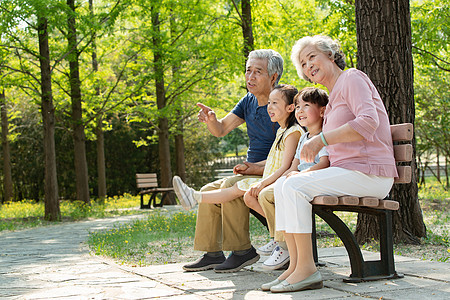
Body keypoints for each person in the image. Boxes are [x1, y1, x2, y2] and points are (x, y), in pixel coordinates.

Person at [262, 35, 397, 293]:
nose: (308, 65)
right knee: (283, 185)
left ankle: (307, 270)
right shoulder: (334, 95)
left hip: (369, 172)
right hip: (349, 171)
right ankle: (296, 266)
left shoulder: (352, 78)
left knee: (293, 187)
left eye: (312, 57)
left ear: (331, 55)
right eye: (303, 63)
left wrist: (320, 139)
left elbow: (368, 122)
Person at [181, 49, 285, 273]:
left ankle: (242, 251)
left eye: (258, 72)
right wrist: (211, 120)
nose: (251, 77)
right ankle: (212, 253)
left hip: (273, 172)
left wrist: (255, 168)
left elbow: (289, 152)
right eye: (248, 71)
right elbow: (221, 129)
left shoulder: (283, 103)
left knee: (230, 185)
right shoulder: (248, 100)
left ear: (274, 77)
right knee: (209, 188)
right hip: (250, 171)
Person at [173, 84, 303, 217]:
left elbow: (286, 166)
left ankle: (194, 197)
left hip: (276, 181)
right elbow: (274, 158)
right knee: (246, 195)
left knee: (238, 189)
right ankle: (279, 231)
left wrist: (263, 183)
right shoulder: (282, 131)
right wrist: (251, 166)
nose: (269, 106)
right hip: (270, 179)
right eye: (269, 102)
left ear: (290, 108)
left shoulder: (292, 133)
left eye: (275, 103)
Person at [258, 86, 330, 271]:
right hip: (299, 181)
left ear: (322, 111)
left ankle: (284, 247)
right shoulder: (303, 137)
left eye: (306, 106)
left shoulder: (322, 137)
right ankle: (285, 247)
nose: (300, 111)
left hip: (314, 181)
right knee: (281, 187)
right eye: (298, 107)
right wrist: (291, 174)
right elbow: (293, 165)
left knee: (283, 189)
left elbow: (324, 163)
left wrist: (300, 175)